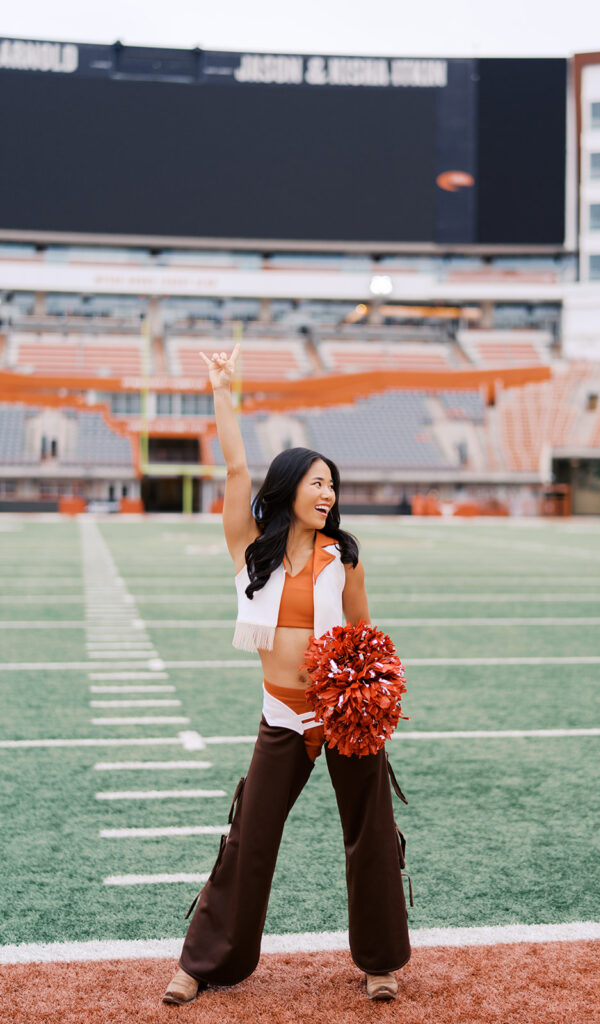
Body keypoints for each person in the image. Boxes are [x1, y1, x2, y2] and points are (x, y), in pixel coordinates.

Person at [162, 344, 410, 1006]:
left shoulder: (344, 557)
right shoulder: (250, 551)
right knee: (249, 840)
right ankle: (205, 962)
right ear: (289, 486)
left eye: (334, 485)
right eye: (317, 483)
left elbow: (364, 633)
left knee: (372, 837)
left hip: (344, 717)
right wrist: (223, 390)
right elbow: (236, 466)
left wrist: (370, 697)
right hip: (282, 716)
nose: (328, 494)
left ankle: (381, 962)